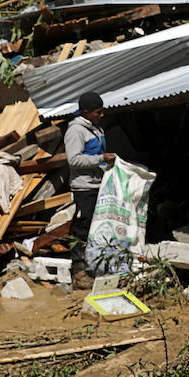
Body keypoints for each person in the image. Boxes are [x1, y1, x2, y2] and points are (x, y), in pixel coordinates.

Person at [63, 91, 115, 286]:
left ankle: (97, 266)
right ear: (85, 112)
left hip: (99, 185)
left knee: (98, 227)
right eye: (98, 112)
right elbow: (73, 159)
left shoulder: (96, 129)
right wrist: (101, 159)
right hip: (84, 187)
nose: (101, 115)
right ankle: (78, 271)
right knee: (83, 227)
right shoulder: (76, 131)